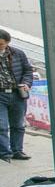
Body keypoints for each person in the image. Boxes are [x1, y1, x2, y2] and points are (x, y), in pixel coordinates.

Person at [0, 29, 33, 162]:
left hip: (17, 94)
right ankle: (4, 153)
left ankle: (17, 151)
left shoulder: (18, 54)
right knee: (1, 125)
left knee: (18, 124)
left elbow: (28, 71)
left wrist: (26, 83)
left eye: (1, 44)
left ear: (7, 42)